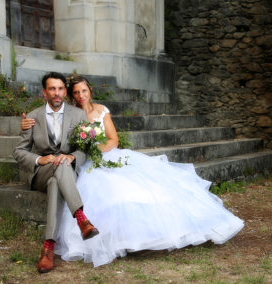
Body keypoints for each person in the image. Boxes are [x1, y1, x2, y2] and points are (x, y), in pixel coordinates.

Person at [20, 75, 244, 267]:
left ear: (90, 91)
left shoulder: (98, 112)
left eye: (84, 91)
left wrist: (95, 149)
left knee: (132, 189)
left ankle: (136, 235)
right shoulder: (66, 113)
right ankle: (81, 221)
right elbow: (53, 141)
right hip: (70, 163)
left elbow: (112, 139)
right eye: (76, 92)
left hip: (99, 156)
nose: (81, 95)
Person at [13, 72, 99, 273]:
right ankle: (81, 218)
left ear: (64, 91)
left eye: (60, 88)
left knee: (56, 180)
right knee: (54, 170)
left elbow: (85, 149)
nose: (57, 93)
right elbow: (18, 151)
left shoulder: (77, 115)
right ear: (44, 92)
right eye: (52, 89)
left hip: (65, 172)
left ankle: (48, 248)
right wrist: (38, 159)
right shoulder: (32, 117)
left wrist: (72, 157)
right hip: (40, 173)